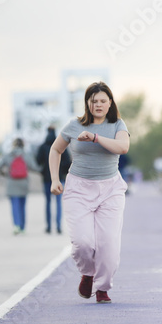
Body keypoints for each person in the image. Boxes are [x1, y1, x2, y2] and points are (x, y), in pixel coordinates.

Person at [48, 82, 129, 304]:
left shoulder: (117, 125)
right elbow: (56, 149)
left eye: (103, 101)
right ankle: (88, 272)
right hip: (78, 188)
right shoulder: (74, 125)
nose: (98, 105)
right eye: (94, 101)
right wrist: (55, 179)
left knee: (108, 244)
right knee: (83, 242)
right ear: (87, 104)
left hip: (110, 189)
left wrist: (94, 138)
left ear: (110, 102)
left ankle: (102, 288)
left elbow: (123, 148)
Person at [36, 125, 71, 234]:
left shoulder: (42, 147)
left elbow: (37, 161)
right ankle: (58, 226)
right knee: (58, 202)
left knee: (47, 202)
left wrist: (43, 169)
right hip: (59, 178)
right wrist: (62, 171)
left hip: (47, 178)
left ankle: (48, 226)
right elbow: (68, 162)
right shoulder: (61, 146)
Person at [0, 138, 36, 235]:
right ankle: (22, 227)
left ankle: (16, 226)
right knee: (22, 205)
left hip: (12, 182)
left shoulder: (8, 155)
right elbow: (35, 167)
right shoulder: (26, 155)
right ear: (23, 145)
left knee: (15, 205)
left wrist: (4, 173)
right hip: (23, 183)